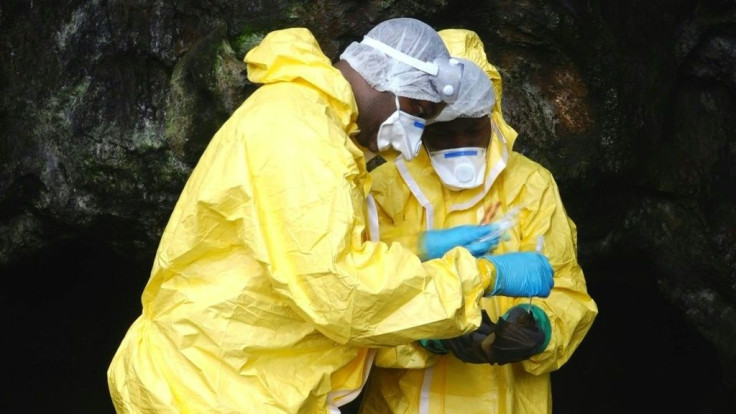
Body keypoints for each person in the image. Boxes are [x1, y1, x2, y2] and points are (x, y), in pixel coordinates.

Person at [107, 19, 555, 413]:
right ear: (395, 86)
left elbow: (314, 256)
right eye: (420, 116)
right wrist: (481, 276)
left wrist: (414, 251)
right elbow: (343, 291)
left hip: (241, 380)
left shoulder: (315, 127)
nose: (413, 141)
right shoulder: (300, 136)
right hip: (209, 386)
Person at [357, 29, 598, 413]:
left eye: (472, 127)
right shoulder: (384, 186)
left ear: (493, 114)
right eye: (443, 132)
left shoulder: (531, 185)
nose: (459, 143)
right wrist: (424, 333)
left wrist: (542, 328)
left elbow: (569, 293)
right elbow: (355, 302)